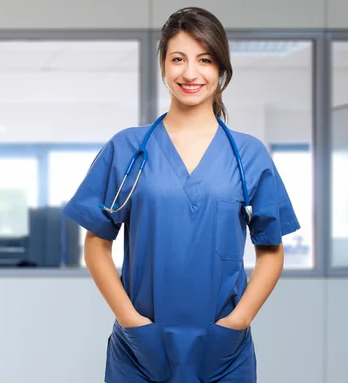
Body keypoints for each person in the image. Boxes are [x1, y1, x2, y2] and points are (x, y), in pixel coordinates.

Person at [62, 6, 300, 383]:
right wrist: (131, 321)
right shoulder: (127, 148)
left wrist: (238, 322)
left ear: (221, 68)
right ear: (163, 65)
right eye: (178, 59)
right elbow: (96, 243)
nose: (190, 73)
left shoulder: (249, 155)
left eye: (204, 59)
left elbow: (271, 249)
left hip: (222, 350)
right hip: (140, 349)